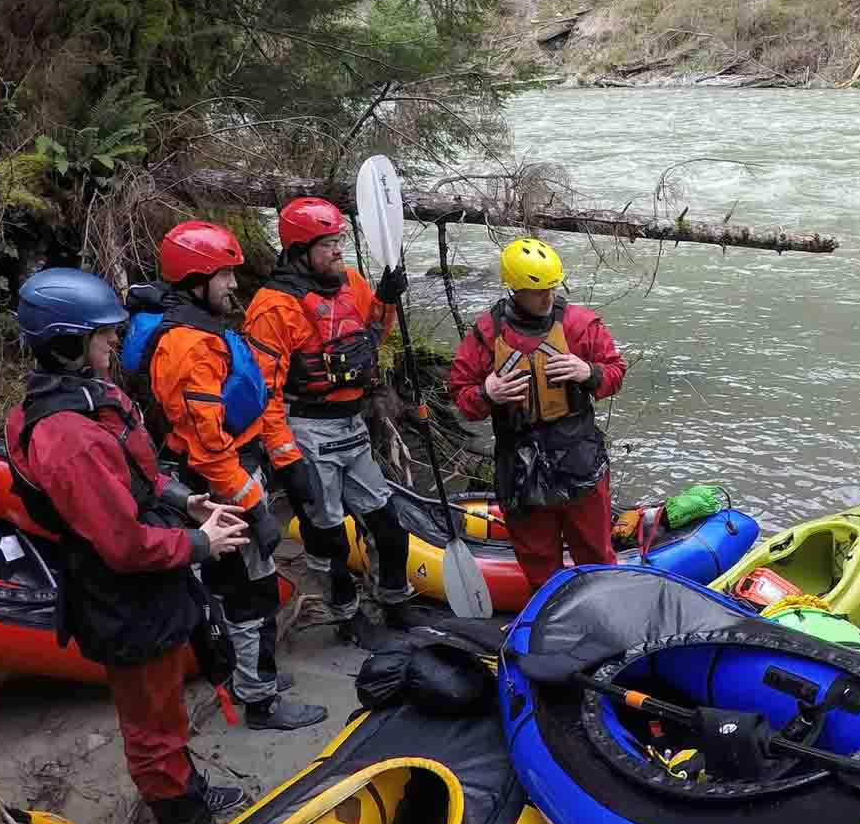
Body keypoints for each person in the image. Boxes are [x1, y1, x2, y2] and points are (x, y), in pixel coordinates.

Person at [4, 269, 253, 824]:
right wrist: (200, 544)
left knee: (165, 707)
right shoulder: (68, 437)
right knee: (151, 729)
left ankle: (186, 790)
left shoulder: (90, 403)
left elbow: (135, 475)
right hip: (121, 596)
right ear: (68, 344)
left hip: (143, 587)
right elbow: (122, 544)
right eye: (102, 335)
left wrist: (182, 499)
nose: (114, 343)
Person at [128, 221, 327, 732]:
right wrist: (255, 507)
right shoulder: (191, 348)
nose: (233, 286)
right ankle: (258, 699)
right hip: (219, 480)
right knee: (251, 592)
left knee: (231, 585)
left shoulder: (188, 327)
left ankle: (248, 674)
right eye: (224, 277)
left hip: (214, 471)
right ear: (197, 280)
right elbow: (209, 446)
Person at [245, 196, 435, 644]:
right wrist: (286, 459)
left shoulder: (350, 283)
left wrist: (386, 300)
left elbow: (372, 337)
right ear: (299, 251)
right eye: (327, 244)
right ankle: (347, 615)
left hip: (353, 425)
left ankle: (395, 600)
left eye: (339, 242)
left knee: (388, 526)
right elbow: (264, 394)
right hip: (306, 429)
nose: (337, 251)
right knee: (326, 538)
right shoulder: (273, 307)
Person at [448, 238, 627, 592]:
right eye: (537, 291)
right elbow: (461, 398)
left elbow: (615, 374)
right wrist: (488, 393)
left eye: (551, 288)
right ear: (514, 288)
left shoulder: (580, 325)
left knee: (595, 553)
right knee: (538, 560)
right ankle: (551, 619)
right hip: (519, 462)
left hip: (578, 457)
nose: (547, 298)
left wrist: (587, 372)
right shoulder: (487, 333)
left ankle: (606, 613)